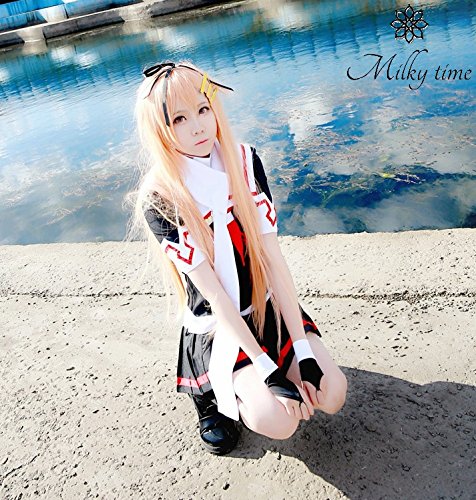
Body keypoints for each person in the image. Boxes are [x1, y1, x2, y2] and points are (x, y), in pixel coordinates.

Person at [128, 61, 347, 455]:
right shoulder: (160, 197)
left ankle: (279, 365)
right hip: (220, 325)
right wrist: (265, 369)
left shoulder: (244, 162)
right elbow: (214, 295)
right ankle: (209, 395)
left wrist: (303, 351)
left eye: (203, 109)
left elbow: (274, 261)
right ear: (160, 129)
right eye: (179, 118)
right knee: (278, 421)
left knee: (333, 394)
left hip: (266, 305)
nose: (198, 127)